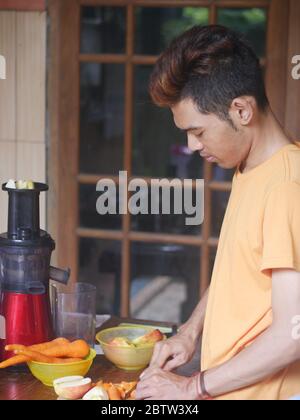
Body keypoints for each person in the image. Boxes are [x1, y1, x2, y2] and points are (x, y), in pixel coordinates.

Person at [136, 25, 300, 401]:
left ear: (241, 110)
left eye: (197, 131)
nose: (191, 146)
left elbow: (292, 335)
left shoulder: (288, 187)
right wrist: (191, 331)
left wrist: (191, 387)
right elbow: (239, 269)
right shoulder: (251, 166)